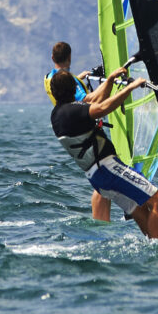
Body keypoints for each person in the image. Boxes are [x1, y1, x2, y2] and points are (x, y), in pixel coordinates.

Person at [49, 66, 158, 240]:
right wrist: (130, 88)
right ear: (75, 89)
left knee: (141, 210)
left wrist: (111, 79)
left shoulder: (58, 114)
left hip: (97, 177)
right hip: (108, 169)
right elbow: (102, 108)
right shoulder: (72, 111)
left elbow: (94, 100)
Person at [45, 40, 110, 220]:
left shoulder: (49, 78)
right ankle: (101, 222)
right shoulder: (70, 81)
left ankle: (101, 222)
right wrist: (109, 82)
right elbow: (88, 100)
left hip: (68, 128)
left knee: (98, 177)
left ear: (52, 57)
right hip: (85, 130)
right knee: (101, 179)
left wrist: (78, 79)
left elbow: (64, 85)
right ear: (70, 57)